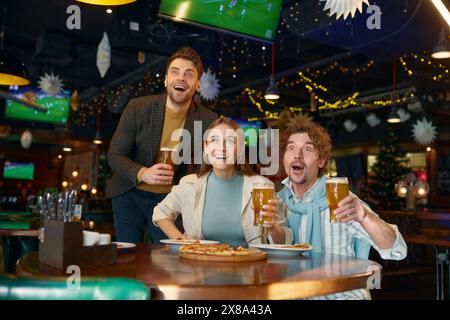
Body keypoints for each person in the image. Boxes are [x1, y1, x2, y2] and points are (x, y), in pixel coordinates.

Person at [276, 121, 407, 300]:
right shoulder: (277, 203)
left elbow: (397, 249)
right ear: (284, 158)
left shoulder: (341, 199)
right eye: (291, 148)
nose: (297, 155)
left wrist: (364, 217)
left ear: (321, 160)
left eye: (307, 149)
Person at [106, 47, 217, 244]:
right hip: (129, 194)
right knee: (128, 255)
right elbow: (115, 155)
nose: (181, 78)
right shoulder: (138, 107)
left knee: (173, 256)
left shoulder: (208, 119)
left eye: (189, 74)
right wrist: (143, 173)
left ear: (198, 84)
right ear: (166, 79)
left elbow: (207, 166)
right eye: (175, 72)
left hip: (171, 200)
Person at [152, 117, 292, 246]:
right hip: (199, 267)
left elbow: (284, 242)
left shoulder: (261, 186)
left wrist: (273, 227)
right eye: (214, 140)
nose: (222, 147)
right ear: (206, 147)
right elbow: (160, 212)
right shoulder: (189, 184)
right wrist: (179, 239)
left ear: (241, 149)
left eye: (230, 141)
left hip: (249, 269)